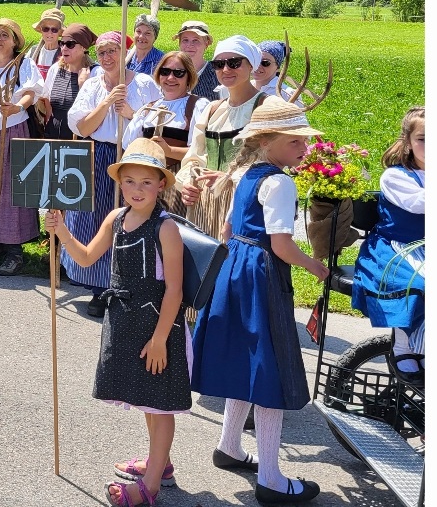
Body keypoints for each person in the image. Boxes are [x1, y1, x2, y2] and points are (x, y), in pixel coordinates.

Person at [190, 97, 330, 506]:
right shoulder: (280, 182)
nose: (304, 149)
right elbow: (283, 245)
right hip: (263, 273)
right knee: (270, 369)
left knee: (248, 362)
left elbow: (230, 226)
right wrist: (316, 267)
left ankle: (229, 445)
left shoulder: (246, 172)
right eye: (296, 142)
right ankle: (270, 477)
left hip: (236, 265)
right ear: (268, 140)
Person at [44, 139, 189, 507]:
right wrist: (61, 231)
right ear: (120, 182)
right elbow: (88, 257)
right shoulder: (116, 219)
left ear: (160, 185)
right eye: (130, 181)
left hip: (159, 325)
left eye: (146, 182)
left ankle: (151, 485)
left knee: (161, 404)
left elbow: (174, 291)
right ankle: (160, 462)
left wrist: (159, 340)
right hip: (125, 320)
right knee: (146, 397)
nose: (137, 189)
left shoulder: (166, 228)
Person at [64, 31, 162, 317]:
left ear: (124, 53)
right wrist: (106, 102)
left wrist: (131, 112)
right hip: (96, 155)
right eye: (102, 52)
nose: (107, 57)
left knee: (126, 219)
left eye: (112, 51)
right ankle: (98, 289)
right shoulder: (93, 86)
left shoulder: (143, 84)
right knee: (93, 219)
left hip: (129, 157)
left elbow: (155, 122)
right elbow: (82, 127)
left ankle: (126, 286)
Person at [351, 106, 426, 385]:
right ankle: (405, 346)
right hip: (398, 247)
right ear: (408, 142)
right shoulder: (396, 176)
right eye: (423, 139)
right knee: (419, 284)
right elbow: (418, 203)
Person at [176, 36, 272, 239]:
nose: (226, 69)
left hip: (244, 205)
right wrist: (187, 184)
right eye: (219, 64)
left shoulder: (265, 107)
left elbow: (273, 163)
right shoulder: (213, 109)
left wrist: (229, 178)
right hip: (205, 207)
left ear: (251, 65)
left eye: (234, 63)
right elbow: (194, 157)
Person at [0, 17, 44, 276]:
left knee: (11, 188)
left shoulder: (23, 64)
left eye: (4, 34)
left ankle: (15, 250)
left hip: (13, 128)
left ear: (15, 41)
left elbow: (32, 92)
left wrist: (18, 106)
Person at [122, 51, 211, 215]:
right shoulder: (148, 109)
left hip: (177, 182)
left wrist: (168, 151)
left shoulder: (198, 106)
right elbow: (129, 146)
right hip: (145, 184)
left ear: (189, 77)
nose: (171, 78)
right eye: (165, 71)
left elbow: (202, 153)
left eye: (178, 73)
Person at [39, 23, 99, 141]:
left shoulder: (96, 73)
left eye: (70, 44)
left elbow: (98, 110)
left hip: (81, 139)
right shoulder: (56, 69)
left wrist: (83, 86)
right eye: (62, 43)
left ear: (84, 47)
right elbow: (47, 100)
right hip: (53, 136)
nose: (64, 48)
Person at [175, 20, 219, 100]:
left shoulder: (216, 73)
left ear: (206, 44)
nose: (190, 45)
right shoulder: (170, 71)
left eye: (196, 40)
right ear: (179, 43)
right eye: (185, 40)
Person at [252, 40, 302, 106]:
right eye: (256, 61)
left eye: (265, 63)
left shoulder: (287, 94)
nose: (258, 66)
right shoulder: (245, 86)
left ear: (278, 67)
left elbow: (299, 116)